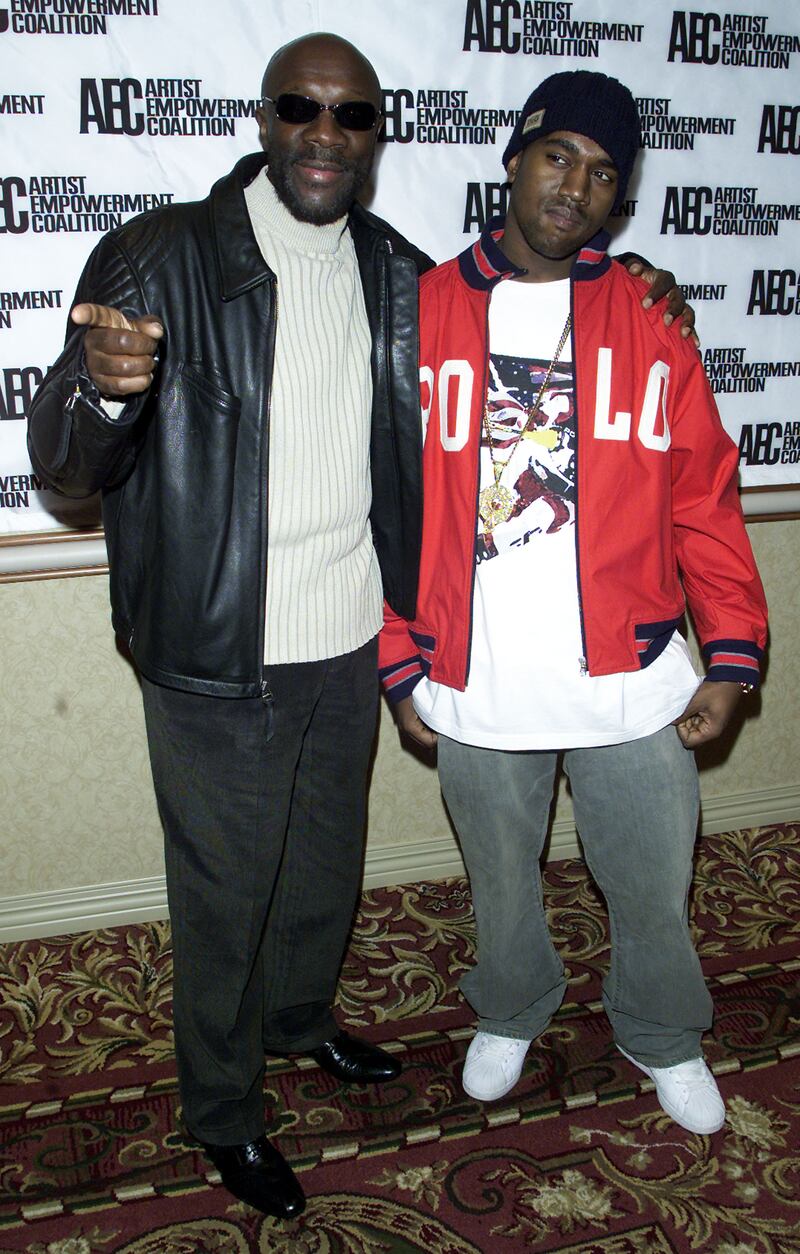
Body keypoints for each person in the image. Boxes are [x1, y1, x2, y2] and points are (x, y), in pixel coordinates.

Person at [27, 35, 694, 1218]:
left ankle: (298, 1023)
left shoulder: (396, 275)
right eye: (301, 107)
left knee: (323, 867)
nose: (325, 134)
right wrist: (100, 387)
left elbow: (519, 322)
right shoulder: (159, 254)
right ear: (266, 120)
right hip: (217, 648)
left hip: (349, 640)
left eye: (351, 116)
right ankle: (223, 1110)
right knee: (226, 893)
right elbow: (66, 465)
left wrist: (637, 280)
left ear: (375, 137)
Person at [380, 70, 768, 1138]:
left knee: (650, 878)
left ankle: (662, 1032)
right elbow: (382, 506)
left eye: (602, 174)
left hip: (629, 670)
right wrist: (399, 660)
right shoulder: (420, 311)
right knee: (499, 879)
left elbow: (700, 496)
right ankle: (510, 1007)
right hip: (474, 670)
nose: (575, 187)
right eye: (558, 157)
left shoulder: (648, 316)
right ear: (514, 160)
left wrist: (732, 653)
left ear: (618, 198)